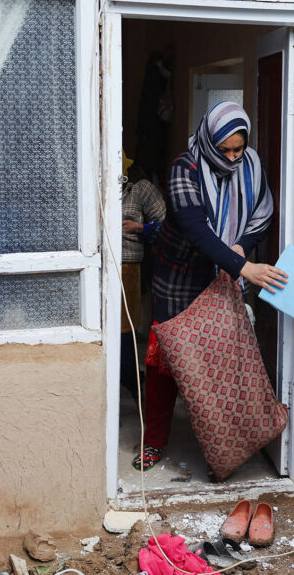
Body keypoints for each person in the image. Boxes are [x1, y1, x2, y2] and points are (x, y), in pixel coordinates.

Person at [132, 101, 288, 472]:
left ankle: (222, 448)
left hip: (221, 275)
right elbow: (195, 228)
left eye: (238, 149)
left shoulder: (251, 165)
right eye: (224, 150)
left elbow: (262, 214)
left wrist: (241, 246)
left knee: (219, 362)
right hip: (178, 277)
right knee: (166, 361)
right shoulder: (183, 168)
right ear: (207, 140)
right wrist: (244, 267)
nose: (232, 158)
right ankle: (153, 441)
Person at [120, 152, 166, 401]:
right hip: (99, 265)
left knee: (124, 327)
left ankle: (132, 381)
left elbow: (168, 226)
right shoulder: (96, 182)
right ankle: (126, 378)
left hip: (128, 265)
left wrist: (140, 227)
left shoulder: (141, 188)